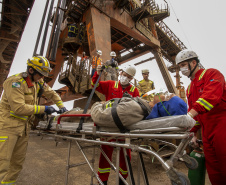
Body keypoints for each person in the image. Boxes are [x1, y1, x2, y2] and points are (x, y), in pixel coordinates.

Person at [0, 56, 68, 184]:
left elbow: (52, 94)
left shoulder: (38, 82)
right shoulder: (15, 82)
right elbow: (19, 108)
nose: (42, 78)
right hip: (8, 128)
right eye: (40, 74)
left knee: (17, 164)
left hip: (24, 129)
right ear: (31, 71)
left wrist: (62, 107)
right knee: (2, 163)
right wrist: (44, 109)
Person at [175, 49, 226, 185]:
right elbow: (196, 117)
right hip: (207, 131)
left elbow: (211, 97)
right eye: (180, 67)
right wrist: (193, 134)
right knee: (214, 170)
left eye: (183, 65)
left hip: (222, 126)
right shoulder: (190, 88)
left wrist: (190, 114)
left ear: (193, 62)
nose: (182, 69)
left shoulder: (212, 74)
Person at [91, 65, 139, 185]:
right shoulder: (110, 84)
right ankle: (103, 180)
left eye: (129, 77)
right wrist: (97, 73)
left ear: (132, 79)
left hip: (124, 127)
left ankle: (122, 180)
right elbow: (95, 85)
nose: (125, 78)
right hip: (109, 125)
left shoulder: (134, 91)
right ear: (121, 73)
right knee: (105, 152)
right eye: (124, 75)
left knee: (125, 155)